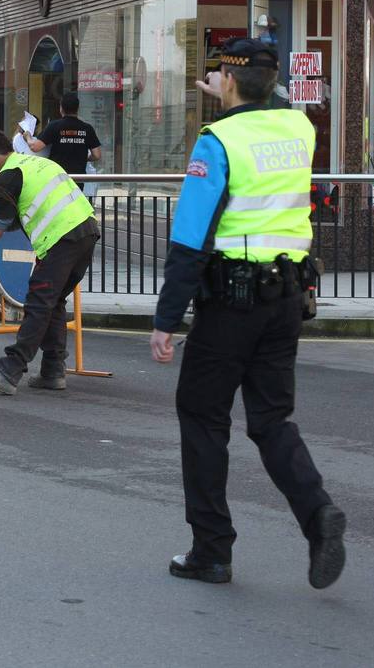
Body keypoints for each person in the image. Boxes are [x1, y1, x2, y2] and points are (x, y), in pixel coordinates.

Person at [149, 38, 345, 589]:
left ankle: (211, 551)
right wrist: (238, 91)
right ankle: (318, 514)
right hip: (287, 297)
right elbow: (270, 99)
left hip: (231, 302)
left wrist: (165, 321)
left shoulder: (217, 141)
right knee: (271, 420)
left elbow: (190, 239)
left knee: (203, 415)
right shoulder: (298, 127)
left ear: (228, 82)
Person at [0, 130, 99, 394]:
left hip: (61, 238)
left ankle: (8, 371)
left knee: (38, 303)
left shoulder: (6, 178)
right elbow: (9, 221)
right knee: (54, 301)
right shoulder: (35, 163)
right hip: (86, 231)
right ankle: (52, 371)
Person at [22, 90, 102, 177]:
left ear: (61, 108)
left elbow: (35, 147)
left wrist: (28, 136)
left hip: (58, 177)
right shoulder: (87, 128)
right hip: (78, 178)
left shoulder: (54, 126)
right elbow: (97, 155)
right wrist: (83, 159)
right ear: (78, 108)